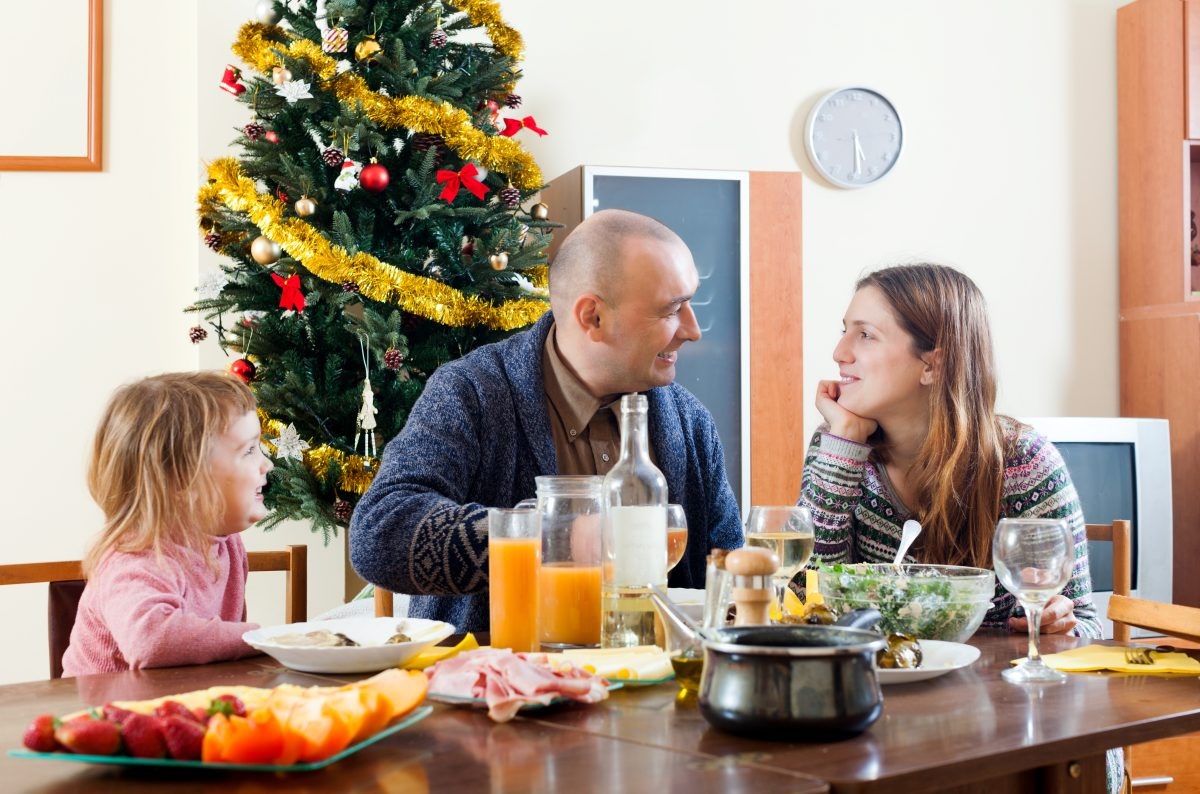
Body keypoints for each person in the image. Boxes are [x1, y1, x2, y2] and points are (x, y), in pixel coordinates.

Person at [350, 209, 744, 631]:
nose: (693, 330)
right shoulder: (471, 393)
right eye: (671, 310)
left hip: (655, 671)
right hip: (498, 670)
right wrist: (558, 536)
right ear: (592, 317)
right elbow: (378, 533)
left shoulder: (689, 421)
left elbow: (731, 571)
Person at [800, 263, 1102, 639]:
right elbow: (806, 600)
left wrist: (1060, 626)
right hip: (881, 674)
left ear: (932, 365)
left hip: (991, 677)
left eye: (865, 335)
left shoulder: (1023, 462)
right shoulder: (837, 447)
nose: (839, 352)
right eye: (844, 331)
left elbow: (1085, 622)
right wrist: (843, 443)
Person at [62, 372, 272, 676]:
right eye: (249, 450)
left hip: (179, 698)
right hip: (107, 706)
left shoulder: (226, 544)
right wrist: (262, 638)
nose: (267, 464)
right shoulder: (136, 555)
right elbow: (151, 640)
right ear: (183, 480)